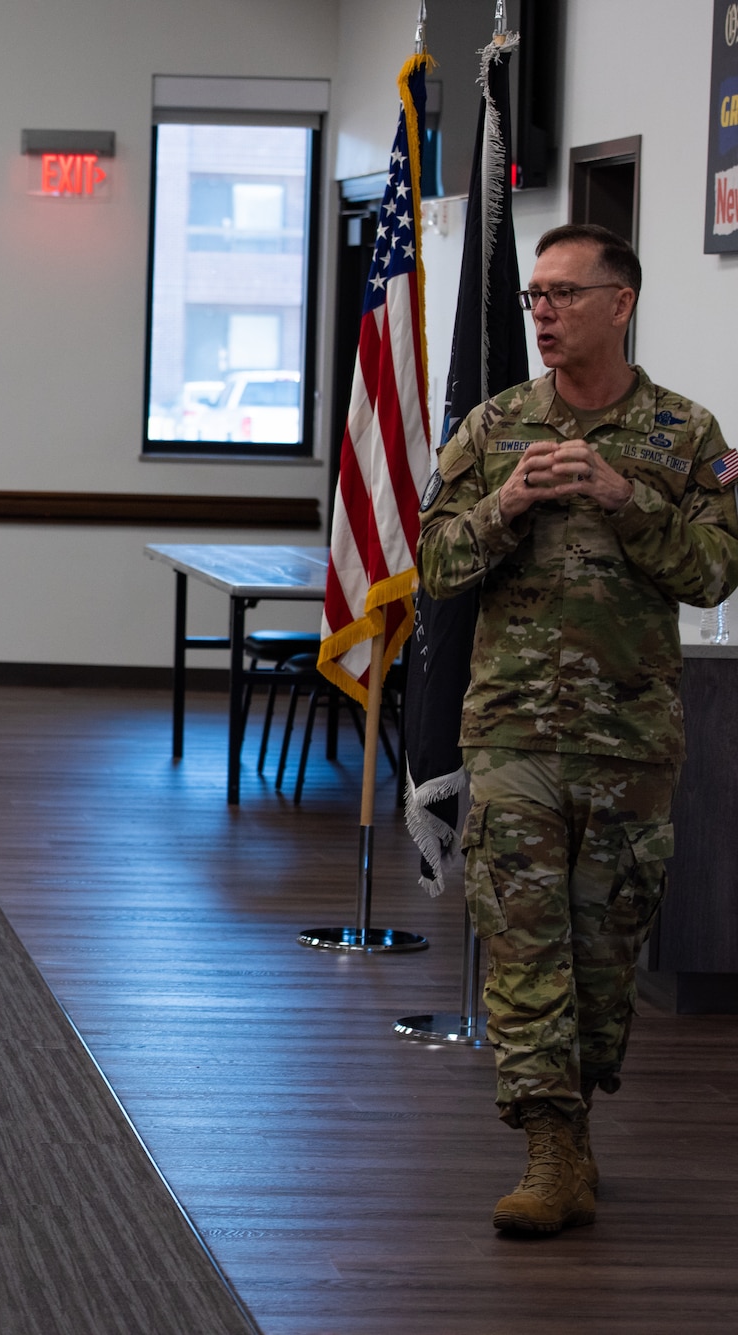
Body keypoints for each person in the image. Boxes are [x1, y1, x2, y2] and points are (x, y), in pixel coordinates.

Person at [419, 222, 738, 1236]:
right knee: (519, 943)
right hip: (510, 732)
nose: (543, 314)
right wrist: (503, 507)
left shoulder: (686, 437)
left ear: (620, 302)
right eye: (533, 298)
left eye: (562, 294)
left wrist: (623, 500)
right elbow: (430, 569)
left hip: (627, 741)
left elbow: (712, 573)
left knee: (602, 958)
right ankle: (544, 1143)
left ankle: (577, 1118)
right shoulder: (491, 429)